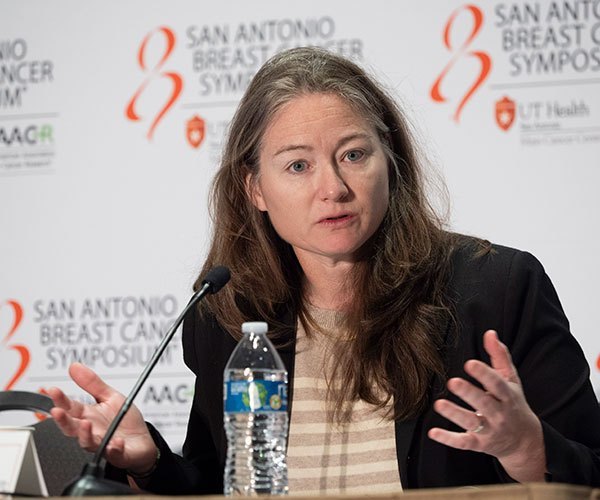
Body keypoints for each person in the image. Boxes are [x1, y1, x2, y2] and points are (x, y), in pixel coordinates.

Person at [48, 47, 600, 494]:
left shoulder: (496, 288)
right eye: (297, 165)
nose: (333, 188)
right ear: (256, 190)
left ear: (392, 160)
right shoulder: (227, 318)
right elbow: (225, 484)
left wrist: (529, 449)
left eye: (354, 155)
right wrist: (148, 462)